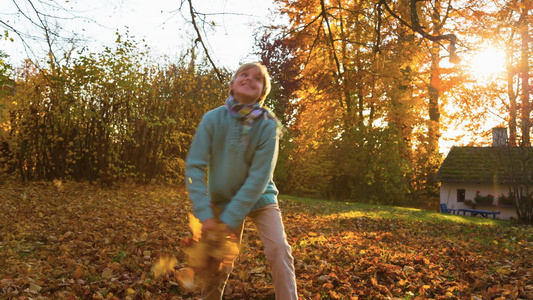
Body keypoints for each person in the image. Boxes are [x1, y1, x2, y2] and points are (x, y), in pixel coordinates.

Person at [185, 62, 298, 299]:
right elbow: (194, 166)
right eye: (243, 75)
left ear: (262, 92)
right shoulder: (212, 119)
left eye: (257, 78)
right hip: (223, 199)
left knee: (279, 248)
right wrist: (205, 213)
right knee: (217, 261)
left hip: (261, 197)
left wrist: (230, 219)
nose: (249, 79)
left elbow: (259, 177)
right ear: (232, 84)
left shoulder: (268, 125)